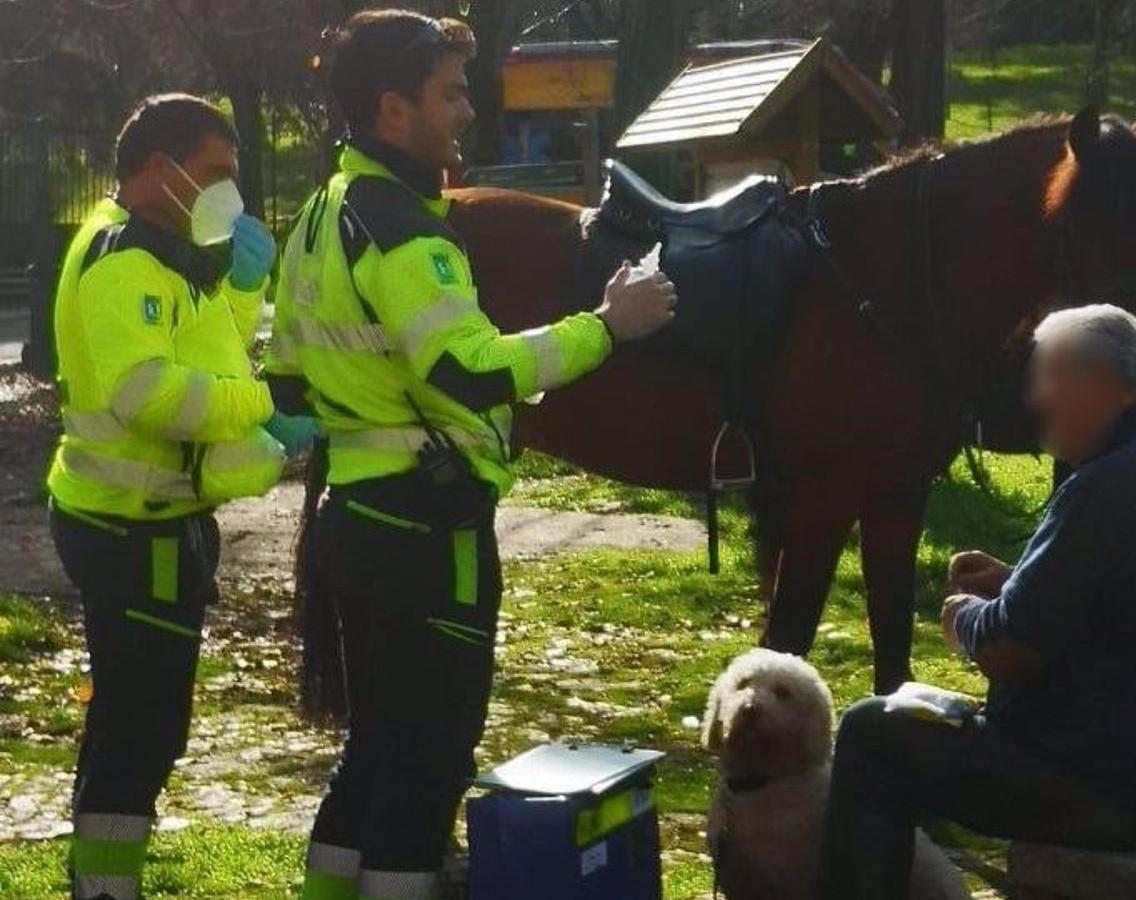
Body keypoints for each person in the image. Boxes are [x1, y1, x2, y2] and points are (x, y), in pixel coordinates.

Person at [264, 11, 676, 899]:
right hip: (427, 537)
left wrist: (369, 401)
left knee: (373, 752)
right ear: (391, 110)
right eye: (449, 93)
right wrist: (609, 326)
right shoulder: (406, 229)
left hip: (355, 524)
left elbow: (288, 384)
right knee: (429, 764)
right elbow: (471, 368)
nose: (466, 112)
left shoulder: (316, 215)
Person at [819, 305, 1136, 900]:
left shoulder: (1109, 485)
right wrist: (1017, 581)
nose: (1034, 402)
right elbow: (1135, 607)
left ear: (1103, 386)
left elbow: (1012, 648)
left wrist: (964, 616)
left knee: (872, 734)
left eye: (1043, 382)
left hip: (1117, 791)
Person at [46, 94, 317, 900]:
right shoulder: (125, 257)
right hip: (131, 531)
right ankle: (102, 887)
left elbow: (214, 352)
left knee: (147, 725)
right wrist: (267, 407)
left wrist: (240, 289)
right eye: (215, 173)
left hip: (158, 525)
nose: (227, 192)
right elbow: (150, 395)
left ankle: (103, 881)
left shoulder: (167, 247)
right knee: (138, 730)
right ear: (159, 170)